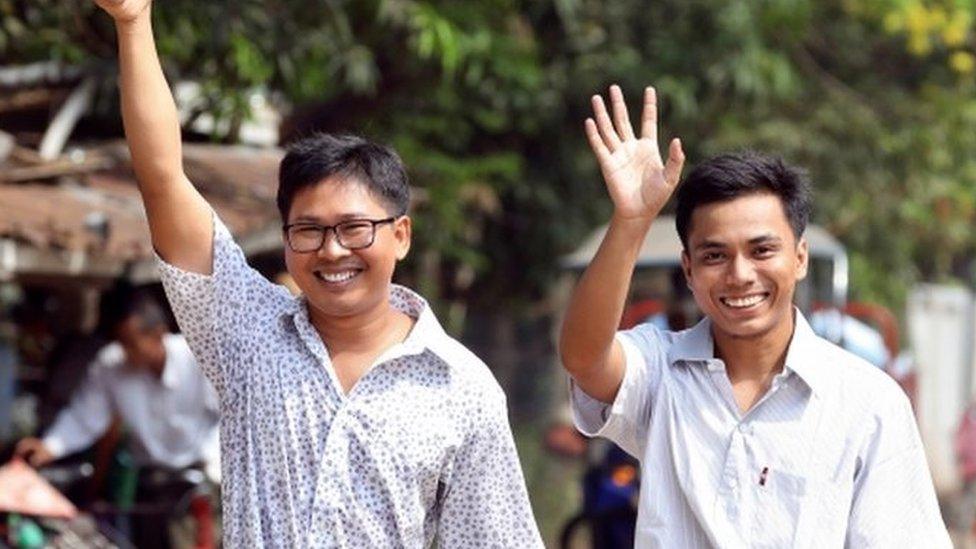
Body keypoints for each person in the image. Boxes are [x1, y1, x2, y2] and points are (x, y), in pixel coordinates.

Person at [90, 0, 542, 546]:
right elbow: (162, 178)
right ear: (285, 241)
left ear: (401, 235)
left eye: (354, 228)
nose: (332, 251)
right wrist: (134, 22)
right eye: (309, 230)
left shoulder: (463, 390)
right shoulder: (245, 331)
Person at [559, 84, 950, 547]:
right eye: (714, 256)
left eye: (762, 250)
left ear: (799, 258)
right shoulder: (660, 372)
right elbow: (584, 358)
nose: (740, 275)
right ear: (689, 269)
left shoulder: (866, 403)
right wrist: (631, 221)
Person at [14, 291, 219, 548]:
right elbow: (84, 417)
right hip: (148, 484)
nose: (126, 352)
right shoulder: (111, 365)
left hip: (199, 480)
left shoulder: (197, 356)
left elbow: (231, 415)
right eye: (122, 343)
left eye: (132, 343)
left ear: (158, 334)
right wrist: (50, 446)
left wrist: (216, 465)